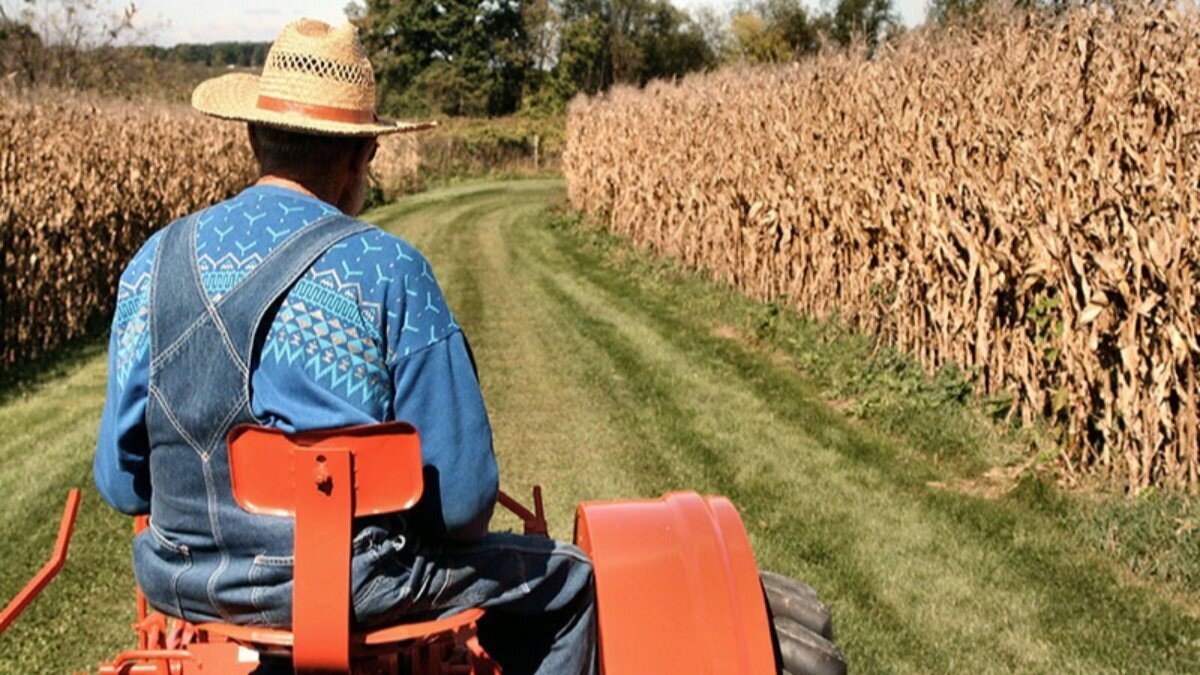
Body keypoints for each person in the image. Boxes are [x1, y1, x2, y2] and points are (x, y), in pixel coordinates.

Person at [92, 18, 595, 675]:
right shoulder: (388, 271)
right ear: (363, 156)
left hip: (181, 581)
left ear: (254, 137)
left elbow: (121, 484)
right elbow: (465, 505)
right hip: (351, 589)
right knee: (571, 580)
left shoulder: (152, 264)